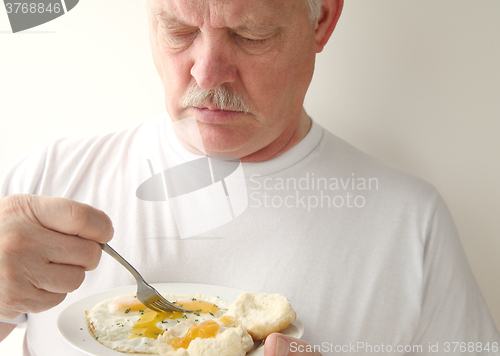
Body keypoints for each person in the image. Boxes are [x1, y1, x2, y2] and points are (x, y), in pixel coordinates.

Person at [0, 0, 499, 355]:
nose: (207, 72)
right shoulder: (48, 179)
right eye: (178, 29)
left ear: (321, 18)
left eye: (249, 36)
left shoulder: (412, 224)